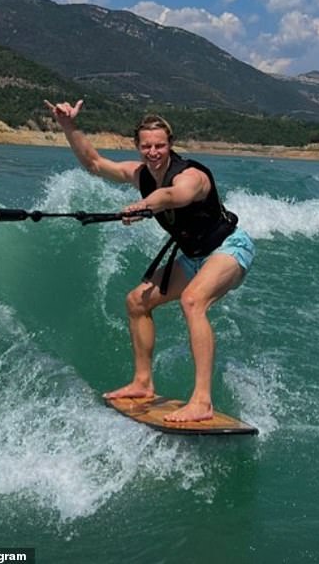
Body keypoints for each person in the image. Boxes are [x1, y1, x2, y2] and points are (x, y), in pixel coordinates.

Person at [45, 99, 255, 422]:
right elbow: (95, 164)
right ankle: (143, 383)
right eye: (147, 146)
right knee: (136, 302)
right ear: (138, 146)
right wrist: (69, 127)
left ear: (170, 144)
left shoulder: (191, 175)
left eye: (159, 145)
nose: (153, 152)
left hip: (229, 249)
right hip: (192, 256)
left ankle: (202, 401)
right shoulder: (140, 174)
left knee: (192, 301)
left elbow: (175, 196)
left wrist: (143, 206)